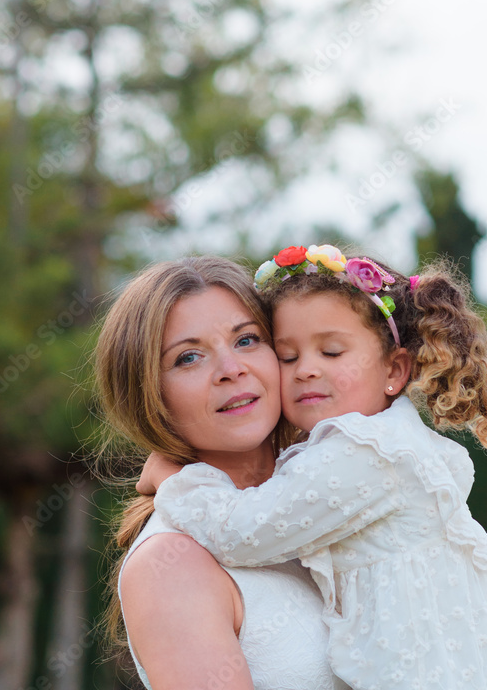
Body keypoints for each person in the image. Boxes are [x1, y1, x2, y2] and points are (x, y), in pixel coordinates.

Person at [140, 245, 487, 690]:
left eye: (331, 352)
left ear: (395, 370)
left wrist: (177, 481)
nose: (306, 371)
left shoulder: (368, 452)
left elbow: (243, 530)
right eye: (289, 356)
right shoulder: (170, 562)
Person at [94, 255, 350, 690]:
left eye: (247, 340)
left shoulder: (336, 496)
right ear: (148, 396)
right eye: (189, 357)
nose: (232, 369)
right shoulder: (170, 564)